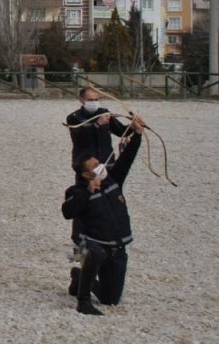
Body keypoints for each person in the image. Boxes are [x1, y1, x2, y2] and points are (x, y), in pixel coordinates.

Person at [61, 123, 144, 316]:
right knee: (94, 253)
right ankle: (83, 303)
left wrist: (137, 134)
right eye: (95, 167)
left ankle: (78, 277)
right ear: (84, 174)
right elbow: (67, 212)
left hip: (116, 248)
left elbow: (127, 158)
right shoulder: (76, 191)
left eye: (99, 164)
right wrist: (87, 193)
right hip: (86, 246)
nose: (101, 167)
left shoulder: (113, 179)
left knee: (111, 299)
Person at [66, 87, 145, 166]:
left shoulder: (104, 113)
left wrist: (133, 126)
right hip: (85, 166)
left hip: (107, 162)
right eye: (90, 100)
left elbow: (121, 131)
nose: (94, 102)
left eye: (96, 100)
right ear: (81, 100)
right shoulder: (74, 117)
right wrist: (97, 124)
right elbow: (80, 137)